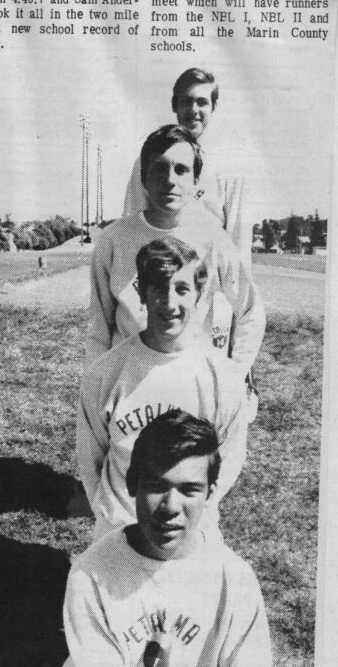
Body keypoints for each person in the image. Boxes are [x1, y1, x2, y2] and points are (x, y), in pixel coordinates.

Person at [62, 411, 274, 667]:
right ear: (132, 484)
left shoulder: (235, 579)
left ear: (210, 493)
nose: (171, 507)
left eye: (189, 490)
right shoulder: (90, 575)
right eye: (157, 486)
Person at [78, 237, 248, 539]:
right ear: (142, 293)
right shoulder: (105, 374)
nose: (169, 303)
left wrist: (187, 517)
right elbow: (91, 463)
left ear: (198, 294)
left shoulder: (222, 377)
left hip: (191, 533)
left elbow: (227, 462)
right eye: (158, 288)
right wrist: (117, 522)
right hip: (121, 531)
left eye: (182, 289)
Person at [85, 125, 264, 370]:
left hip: (190, 376)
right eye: (159, 168)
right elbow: (98, 327)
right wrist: (97, 381)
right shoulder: (113, 239)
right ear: (143, 178)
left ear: (196, 181)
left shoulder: (214, 239)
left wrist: (235, 373)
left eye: (181, 170)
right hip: (129, 376)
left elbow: (251, 310)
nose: (169, 180)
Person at [123, 67, 249, 258]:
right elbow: (133, 227)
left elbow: (239, 243)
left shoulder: (231, 168)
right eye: (186, 101)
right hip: (161, 272)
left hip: (210, 273)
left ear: (213, 107)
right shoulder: (147, 161)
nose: (193, 110)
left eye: (202, 102)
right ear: (175, 105)